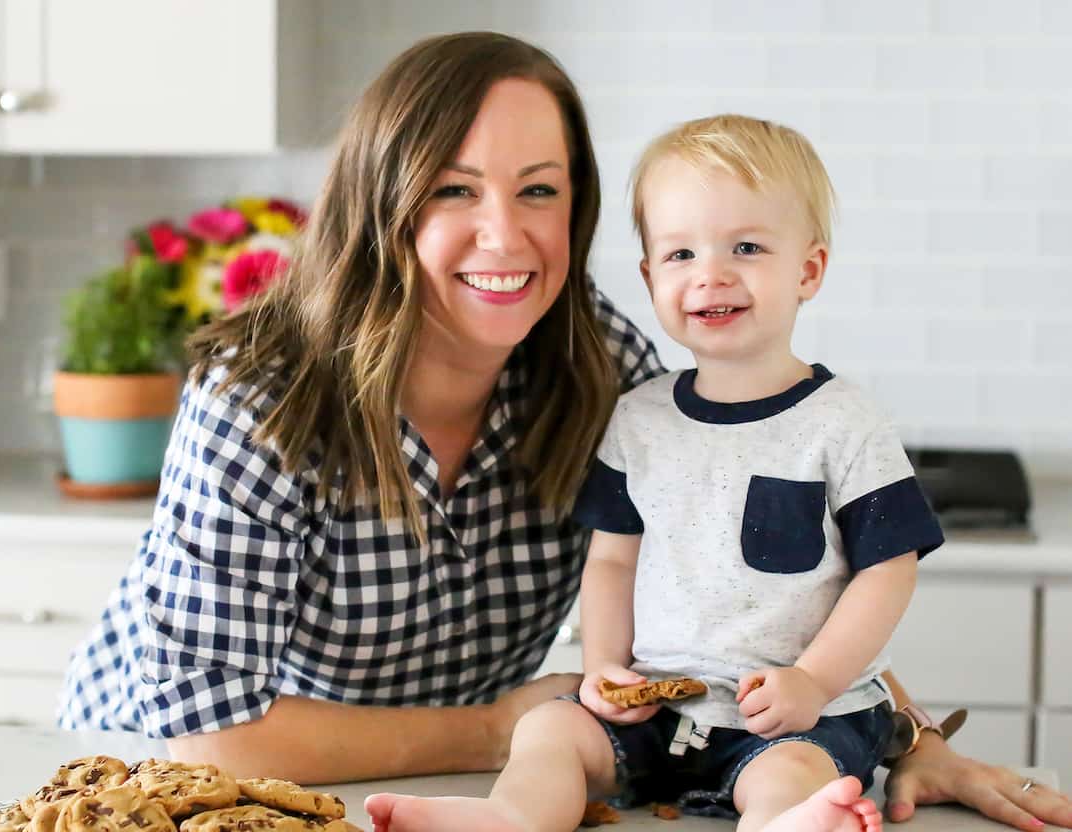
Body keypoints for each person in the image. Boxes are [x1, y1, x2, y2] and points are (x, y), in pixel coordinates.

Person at [57, 31, 1072, 832]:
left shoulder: (599, 367)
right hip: (144, 790)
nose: (506, 235)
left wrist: (892, 734)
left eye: (539, 191)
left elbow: (771, 571)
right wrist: (502, 726)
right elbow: (214, 736)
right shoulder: (263, 397)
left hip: (455, 790)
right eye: (454, 190)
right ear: (383, 203)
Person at [364, 113, 943, 832]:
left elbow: (889, 571)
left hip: (796, 720)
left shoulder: (844, 423)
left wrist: (814, 681)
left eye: (748, 247)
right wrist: (605, 665)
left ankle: (785, 824)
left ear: (809, 270)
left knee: (790, 777)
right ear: (648, 276)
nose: (711, 274)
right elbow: (611, 561)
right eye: (679, 255)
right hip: (659, 714)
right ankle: (510, 818)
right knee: (548, 730)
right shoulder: (638, 418)